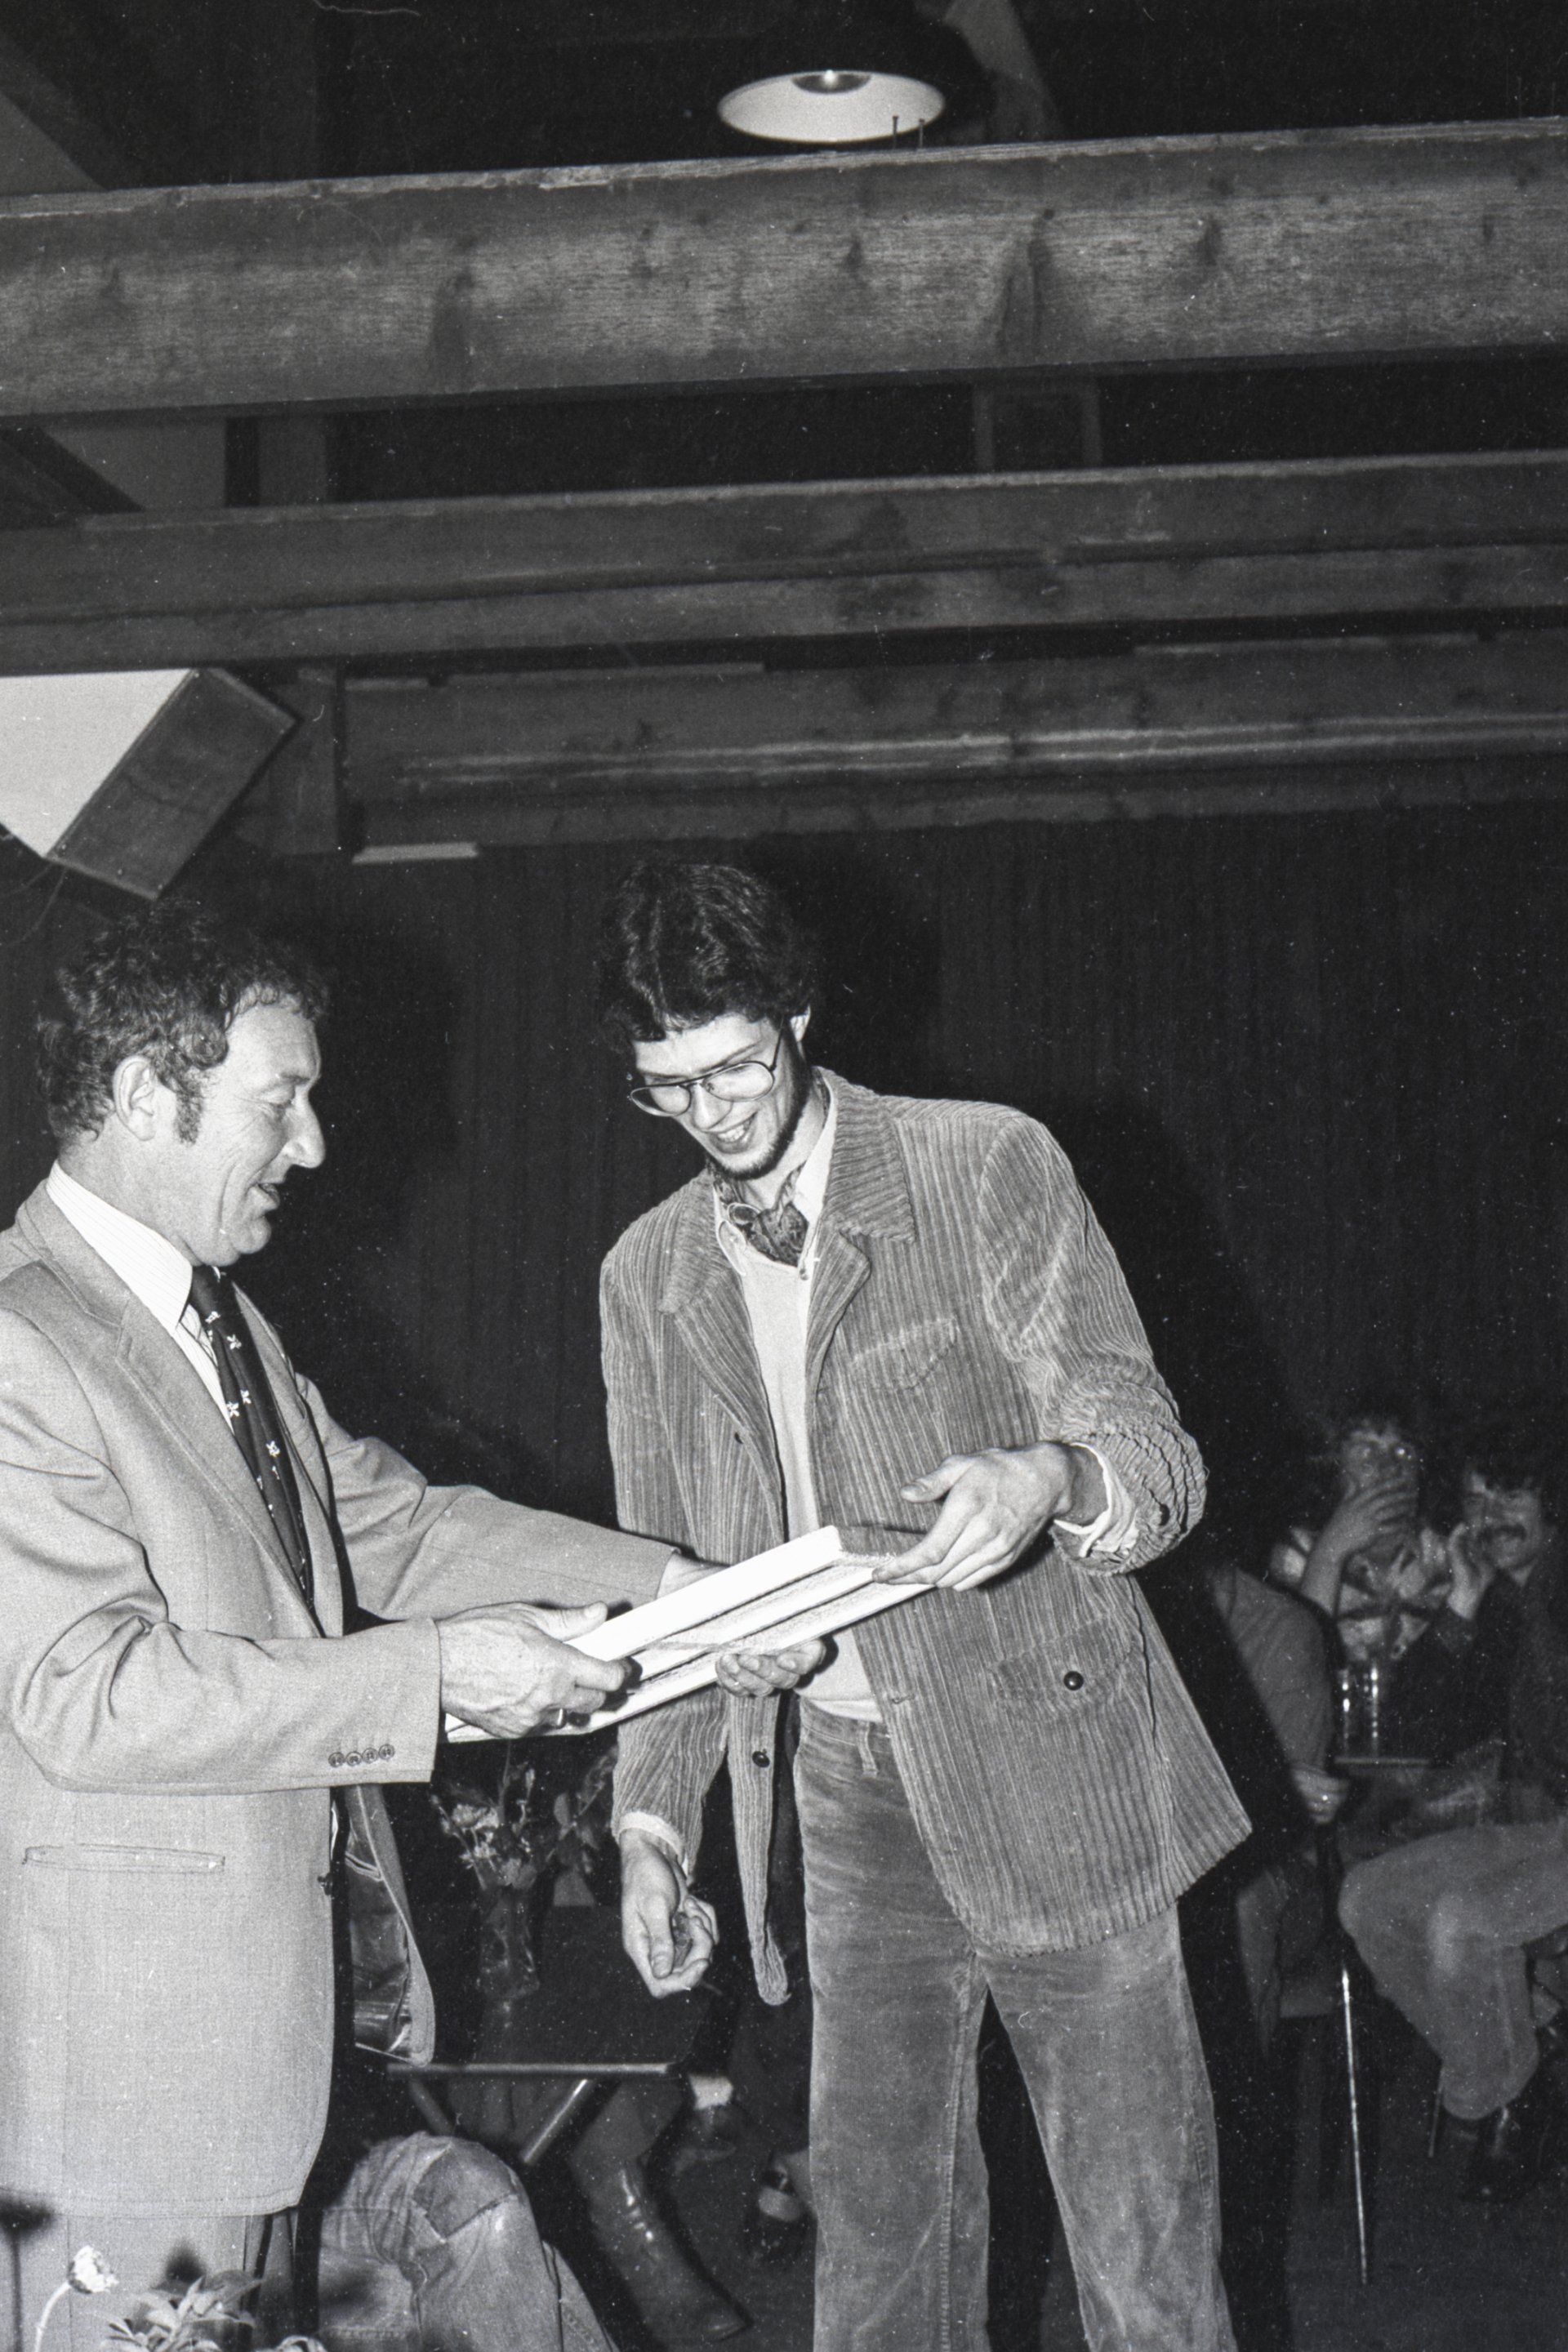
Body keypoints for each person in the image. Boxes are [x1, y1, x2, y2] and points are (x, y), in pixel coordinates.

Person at [0, 902, 789, 2350]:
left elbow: (398, 1527)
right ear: (143, 1094)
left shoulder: (218, 1323)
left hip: (243, 2068)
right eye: (280, 1100)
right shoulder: (18, 1339)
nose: (312, 1146)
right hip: (118, 2084)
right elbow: (85, 1695)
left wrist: (681, 1586)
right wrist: (428, 1679)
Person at [595, 860, 1250, 2352]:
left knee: (1143, 2259)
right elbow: (660, 1571)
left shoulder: (984, 1166)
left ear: (800, 1017)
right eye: (667, 1089)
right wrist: (651, 1825)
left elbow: (1153, 1452)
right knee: (881, 2258)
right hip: (842, 1788)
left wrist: (1052, 1476)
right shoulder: (644, 1276)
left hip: (1056, 1762)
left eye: (737, 1068)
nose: (714, 1116)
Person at [1338, 1401, 1568, 2203]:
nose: (1490, 1515)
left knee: (1461, 1922)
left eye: (1511, 1497)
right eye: (1475, 1498)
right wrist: (1463, 1602)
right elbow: (1416, 1730)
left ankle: (1505, 2098)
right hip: (1538, 1834)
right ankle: (1525, 2070)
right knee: (1369, 1897)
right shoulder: (1498, 1603)